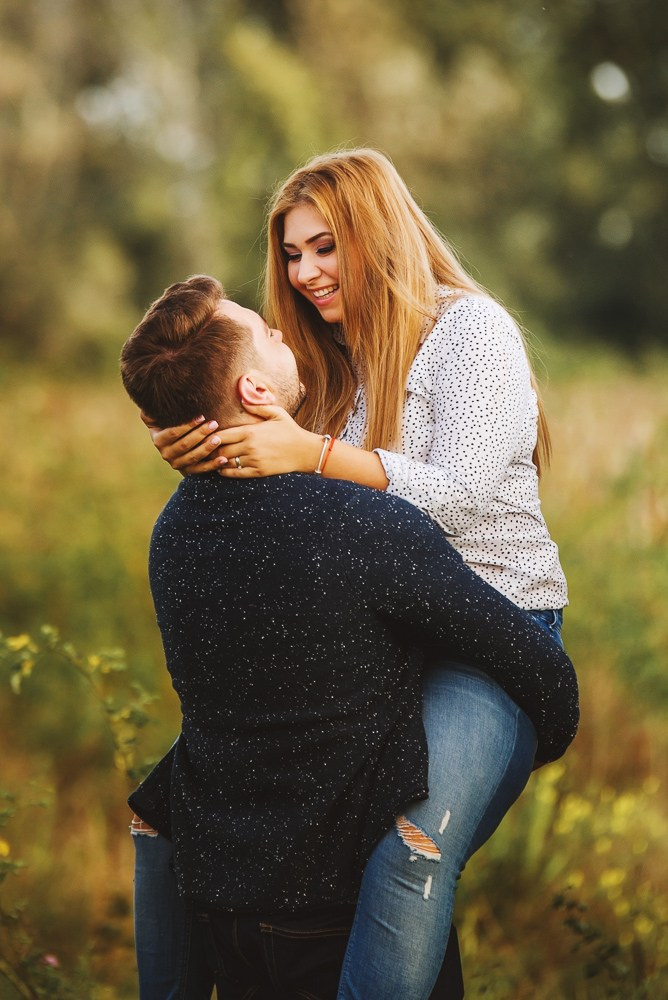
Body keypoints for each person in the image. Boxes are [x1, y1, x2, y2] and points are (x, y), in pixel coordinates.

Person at [147, 149, 572, 999]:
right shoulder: (325, 354)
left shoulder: (471, 331)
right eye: (292, 255)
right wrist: (198, 438)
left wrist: (313, 450)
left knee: (410, 846)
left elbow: (454, 502)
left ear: (375, 235)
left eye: (324, 248)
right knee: (164, 813)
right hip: (376, 636)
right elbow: (277, 483)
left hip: (487, 636)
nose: (304, 274)